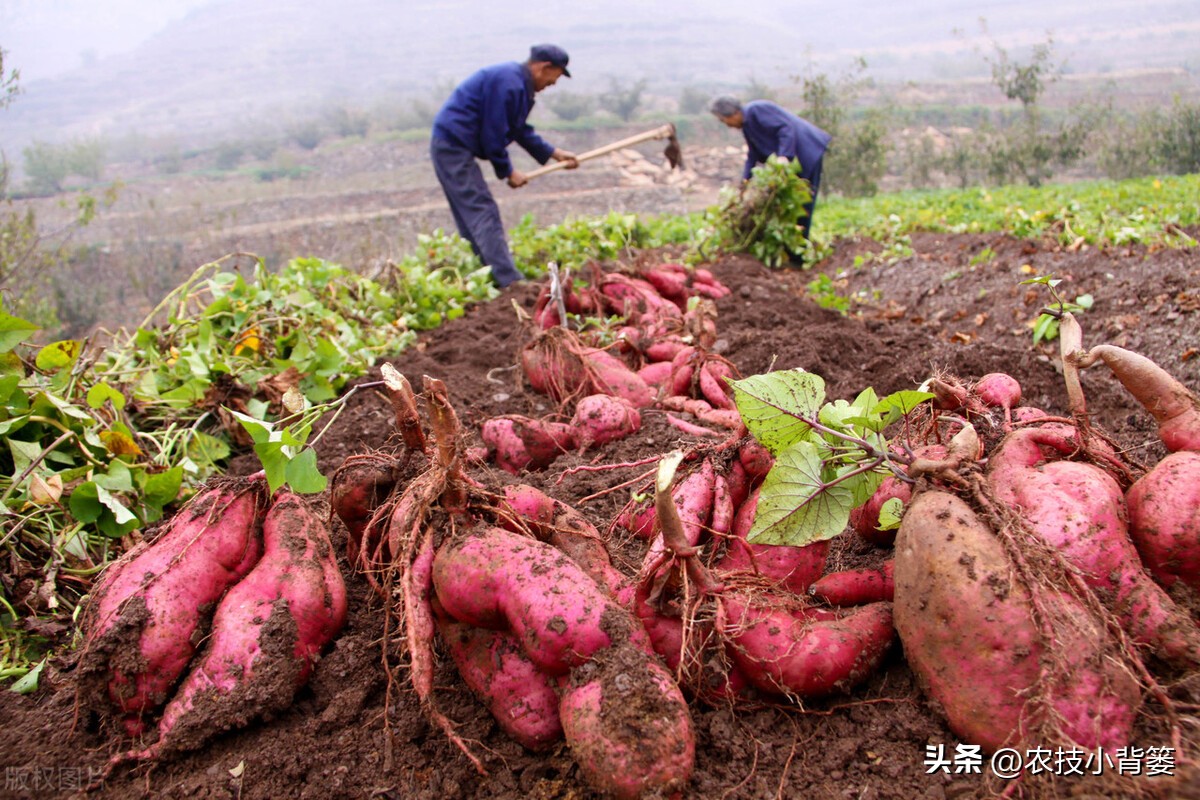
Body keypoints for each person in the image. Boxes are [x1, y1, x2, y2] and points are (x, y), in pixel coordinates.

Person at [430, 44, 580, 288]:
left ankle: (490, 274)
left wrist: (554, 153)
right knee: (481, 210)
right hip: (452, 144)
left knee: (472, 213)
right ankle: (509, 281)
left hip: (454, 144)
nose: (554, 83)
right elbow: (494, 132)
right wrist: (508, 171)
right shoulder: (508, 83)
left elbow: (518, 129)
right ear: (544, 67)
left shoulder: (518, 85)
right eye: (556, 76)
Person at [710, 96, 832, 262]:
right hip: (793, 161)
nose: (727, 125)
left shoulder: (756, 110)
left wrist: (784, 157)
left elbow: (785, 128)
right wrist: (745, 182)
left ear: (733, 113)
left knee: (803, 203)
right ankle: (792, 250)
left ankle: (799, 254)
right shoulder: (747, 126)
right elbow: (753, 155)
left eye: (724, 120)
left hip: (806, 151)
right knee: (788, 205)